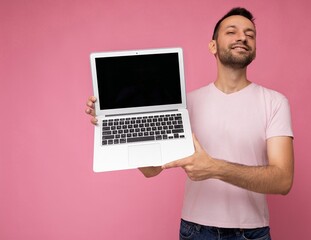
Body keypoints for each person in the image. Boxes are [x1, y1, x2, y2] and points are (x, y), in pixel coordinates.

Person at [85, 7, 294, 240]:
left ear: (254, 48)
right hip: (196, 230)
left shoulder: (275, 102)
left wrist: (214, 168)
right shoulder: (186, 106)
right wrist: (117, 119)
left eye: (250, 34)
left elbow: (283, 180)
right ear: (212, 46)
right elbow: (151, 170)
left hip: (252, 232)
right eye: (231, 32)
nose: (242, 37)